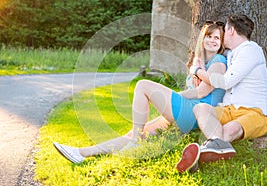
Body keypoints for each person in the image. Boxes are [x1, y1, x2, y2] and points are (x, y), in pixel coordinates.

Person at [53, 22, 227, 164]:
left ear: (221, 43)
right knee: (135, 132)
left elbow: (201, 92)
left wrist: (170, 96)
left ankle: (135, 141)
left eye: (217, 38)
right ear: (202, 39)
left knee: (143, 85)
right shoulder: (203, 62)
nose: (212, 40)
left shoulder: (219, 60)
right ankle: (81, 153)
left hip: (197, 113)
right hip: (188, 112)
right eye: (209, 36)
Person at [176, 14, 267, 173]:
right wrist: (196, 64)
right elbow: (204, 55)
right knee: (201, 109)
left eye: (225, 31)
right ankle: (211, 150)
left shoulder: (251, 50)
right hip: (229, 109)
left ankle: (198, 154)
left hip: (255, 112)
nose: (223, 35)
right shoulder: (232, 53)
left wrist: (197, 71)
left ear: (231, 30)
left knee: (229, 130)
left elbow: (225, 81)